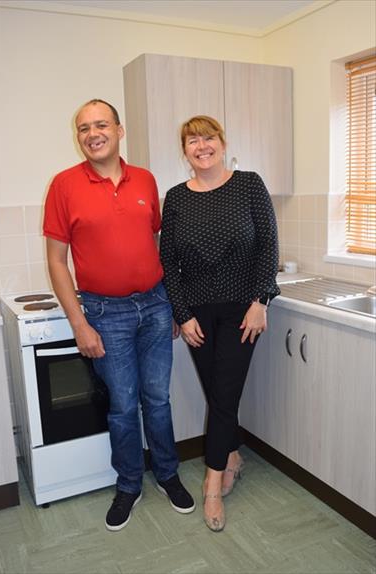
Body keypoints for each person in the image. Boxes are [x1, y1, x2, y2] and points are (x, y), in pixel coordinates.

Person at [43, 99, 195, 531]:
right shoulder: (63, 185)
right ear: (79, 137)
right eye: (84, 128)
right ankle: (129, 483)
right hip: (104, 312)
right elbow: (57, 260)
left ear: (119, 130)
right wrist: (79, 323)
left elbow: (158, 245)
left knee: (158, 400)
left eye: (101, 124)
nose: (93, 133)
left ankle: (167, 474)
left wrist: (170, 305)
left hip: (155, 303)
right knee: (124, 406)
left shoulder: (145, 179)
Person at [159, 115, 280, 532]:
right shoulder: (175, 197)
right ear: (185, 150)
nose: (201, 146)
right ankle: (231, 456)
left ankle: (212, 486)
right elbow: (168, 263)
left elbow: (268, 245)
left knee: (224, 396)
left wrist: (260, 300)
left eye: (208, 137)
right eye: (192, 140)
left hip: (241, 312)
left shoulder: (249, 184)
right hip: (197, 314)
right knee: (218, 392)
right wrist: (182, 313)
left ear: (222, 142)